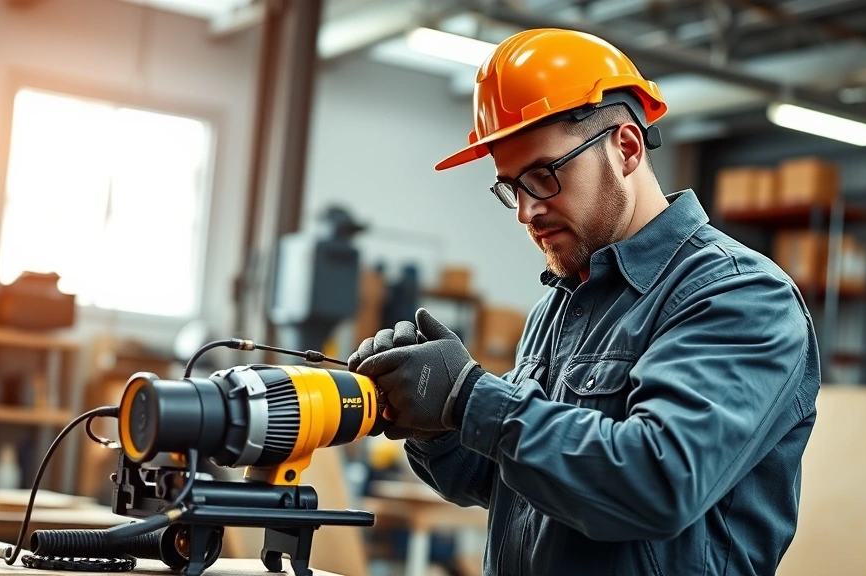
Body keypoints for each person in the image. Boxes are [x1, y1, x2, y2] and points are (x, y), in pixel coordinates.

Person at [349, 27, 820, 576]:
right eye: (510, 187)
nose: (526, 212)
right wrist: (434, 423)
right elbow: (507, 484)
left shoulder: (738, 295)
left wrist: (471, 397)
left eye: (543, 176)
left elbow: (656, 483)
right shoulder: (561, 303)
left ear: (625, 148)